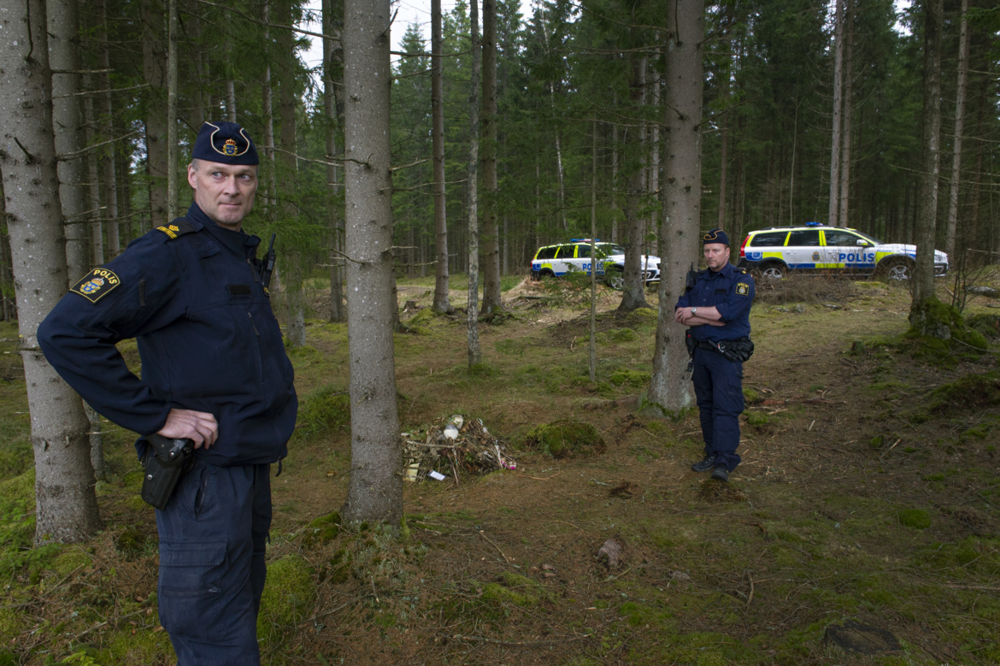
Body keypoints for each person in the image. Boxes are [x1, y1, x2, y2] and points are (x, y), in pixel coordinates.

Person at [38, 121, 298, 665]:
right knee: (212, 633)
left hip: (248, 466)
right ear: (193, 177)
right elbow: (64, 332)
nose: (232, 188)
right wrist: (155, 416)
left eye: (244, 176)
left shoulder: (233, 253)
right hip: (204, 479)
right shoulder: (166, 255)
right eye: (218, 174)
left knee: (236, 614)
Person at [674, 229, 755, 483]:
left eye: (716, 250)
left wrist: (695, 312)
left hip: (726, 356)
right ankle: (711, 453)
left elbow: (727, 313)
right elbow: (680, 313)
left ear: (727, 252)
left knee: (725, 407)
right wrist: (708, 316)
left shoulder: (740, 280)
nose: (710, 255)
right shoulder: (698, 279)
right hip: (701, 353)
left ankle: (724, 460)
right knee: (706, 406)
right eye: (707, 251)